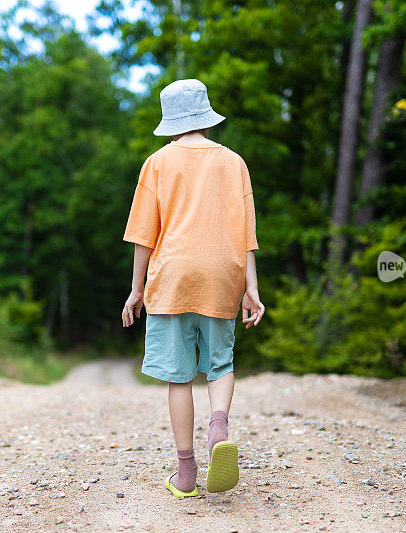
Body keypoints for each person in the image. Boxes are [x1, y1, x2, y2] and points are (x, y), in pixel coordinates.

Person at [120, 79, 265, 497]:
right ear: (206, 117)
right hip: (224, 275)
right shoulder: (235, 163)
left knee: (179, 377)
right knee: (220, 364)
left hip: (172, 277)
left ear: (170, 121)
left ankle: (186, 474)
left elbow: (144, 236)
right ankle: (218, 427)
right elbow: (246, 234)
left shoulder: (157, 163)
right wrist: (250, 287)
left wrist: (136, 290)